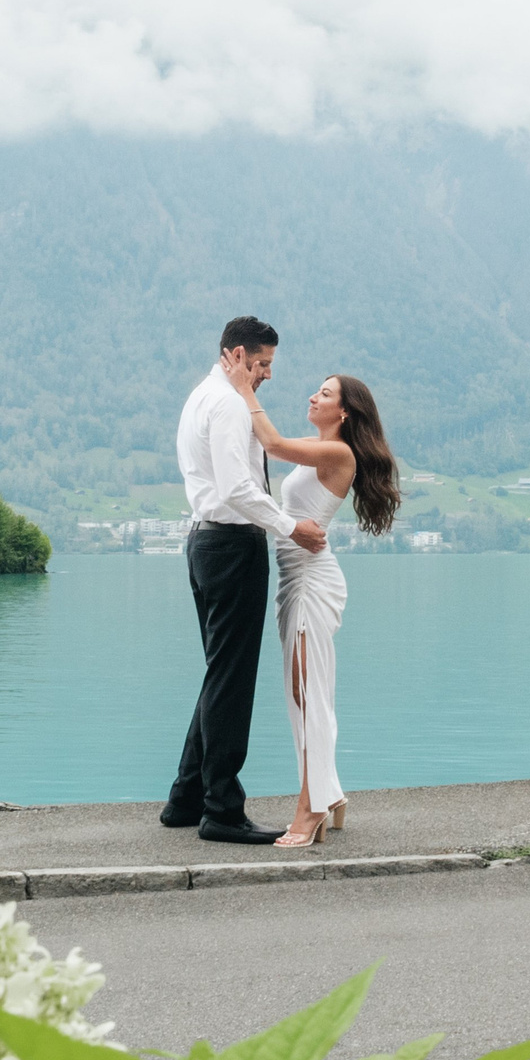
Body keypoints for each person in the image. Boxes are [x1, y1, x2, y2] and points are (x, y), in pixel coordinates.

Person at [220, 364, 401, 848]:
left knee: (310, 695)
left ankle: (312, 806)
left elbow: (274, 445)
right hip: (293, 579)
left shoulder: (338, 452)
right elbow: (267, 445)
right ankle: (332, 793)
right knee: (304, 695)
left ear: (344, 411)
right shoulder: (321, 447)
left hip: (311, 584)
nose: (313, 397)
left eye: (324, 394)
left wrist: (242, 389)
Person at [162, 317, 328, 843]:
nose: (268, 376)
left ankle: (186, 798)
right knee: (231, 678)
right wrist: (289, 526)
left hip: (204, 543)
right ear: (238, 355)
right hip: (232, 545)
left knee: (220, 671)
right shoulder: (229, 405)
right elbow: (237, 488)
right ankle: (222, 810)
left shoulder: (200, 396)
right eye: (264, 365)